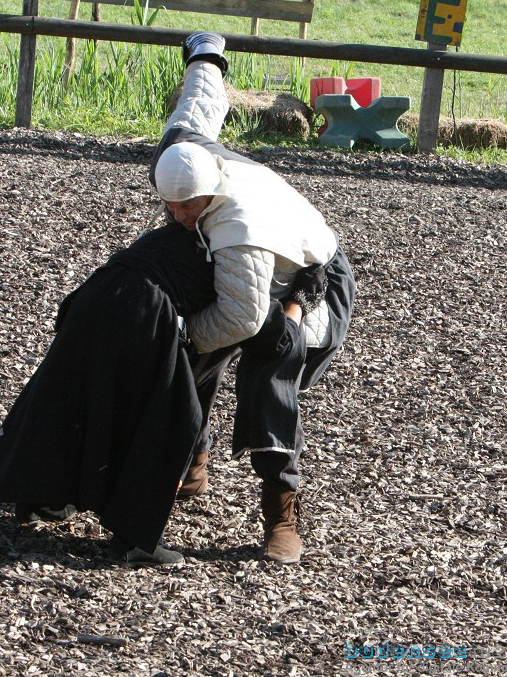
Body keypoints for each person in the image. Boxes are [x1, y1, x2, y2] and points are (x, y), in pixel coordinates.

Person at [150, 32, 356, 564]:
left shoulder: (240, 230)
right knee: (189, 352)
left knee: (271, 373)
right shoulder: (183, 152)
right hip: (248, 265)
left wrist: (186, 339)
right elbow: (199, 103)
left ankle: (281, 516)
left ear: (210, 194)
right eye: (170, 207)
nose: (176, 217)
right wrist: (206, 56)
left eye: (187, 208)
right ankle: (192, 459)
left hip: (309, 280)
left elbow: (241, 318)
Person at [0, 223, 219, 567]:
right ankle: (135, 539)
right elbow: (244, 318)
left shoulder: (178, 230)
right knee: (159, 416)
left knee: (72, 394)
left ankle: (43, 497)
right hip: (143, 309)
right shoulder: (235, 234)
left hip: (97, 294)